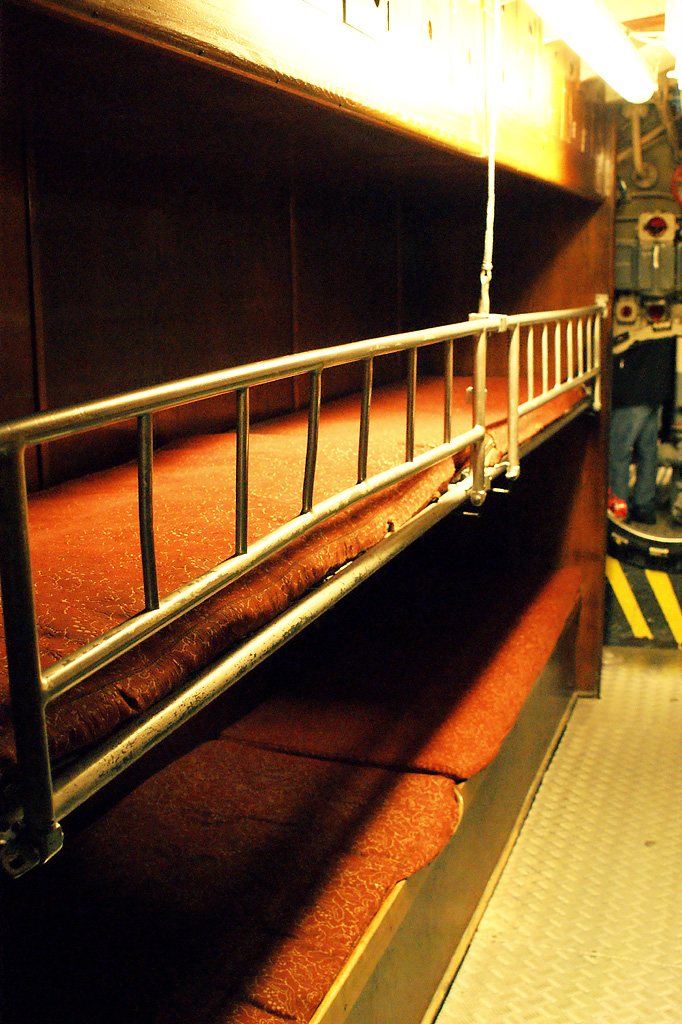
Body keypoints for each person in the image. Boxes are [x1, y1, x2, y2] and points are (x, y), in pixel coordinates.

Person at [608, 307, 676, 525]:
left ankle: (619, 508)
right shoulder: (667, 323)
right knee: (647, 453)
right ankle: (644, 506)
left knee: (618, 454)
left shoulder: (630, 323)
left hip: (630, 396)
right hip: (655, 394)